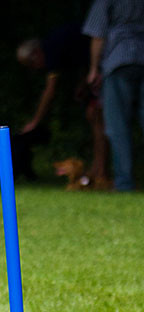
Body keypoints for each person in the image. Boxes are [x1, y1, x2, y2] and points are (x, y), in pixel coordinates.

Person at [17, 24, 109, 184]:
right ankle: (98, 169)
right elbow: (84, 58)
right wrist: (83, 84)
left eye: (32, 64)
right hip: (102, 64)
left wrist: (35, 122)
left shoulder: (51, 50)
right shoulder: (57, 44)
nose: (35, 68)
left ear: (36, 53)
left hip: (108, 61)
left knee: (96, 116)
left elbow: (50, 91)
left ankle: (100, 172)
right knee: (94, 116)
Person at [83, 0, 144, 192]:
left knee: (117, 126)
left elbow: (97, 34)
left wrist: (93, 68)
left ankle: (124, 183)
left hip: (118, 61)